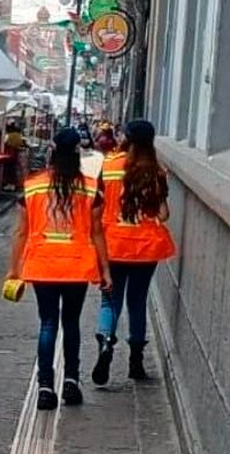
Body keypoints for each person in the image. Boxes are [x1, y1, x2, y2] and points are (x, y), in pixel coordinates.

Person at [8, 129, 112, 411]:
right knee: (71, 323)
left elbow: (21, 233)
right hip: (77, 265)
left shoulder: (33, 186)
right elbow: (97, 233)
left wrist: (13, 270)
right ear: (78, 154)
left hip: (43, 264)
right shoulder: (90, 187)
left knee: (48, 323)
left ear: (52, 153)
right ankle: (71, 382)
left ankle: (44, 386)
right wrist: (106, 270)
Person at [91, 120, 176, 386]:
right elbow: (164, 214)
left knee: (110, 301)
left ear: (126, 139)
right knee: (137, 302)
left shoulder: (109, 166)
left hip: (114, 245)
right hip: (145, 246)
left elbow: (97, 206)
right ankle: (136, 361)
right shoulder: (156, 173)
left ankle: (105, 342)